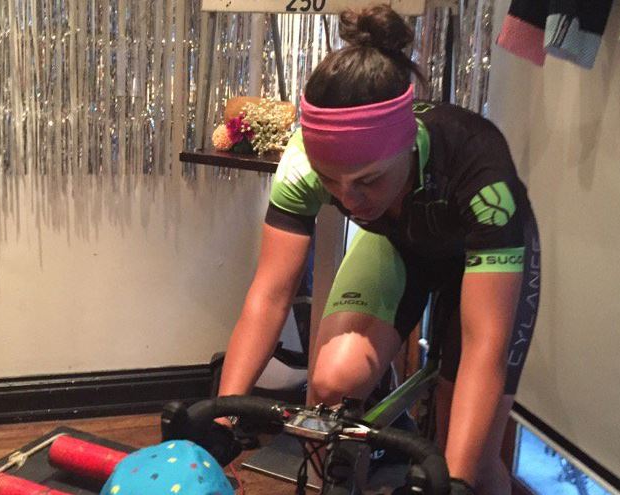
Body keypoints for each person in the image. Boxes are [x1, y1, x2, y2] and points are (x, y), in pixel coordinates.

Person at [214, 4, 540, 494]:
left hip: (483, 261)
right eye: (331, 182)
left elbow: (484, 346)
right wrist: (220, 422)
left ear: (408, 143)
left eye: (369, 180)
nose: (349, 200)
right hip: (400, 245)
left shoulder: (478, 165)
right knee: (332, 382)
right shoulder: (302, 162)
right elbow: (269, 296)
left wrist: (453, 480)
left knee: (470, 460)